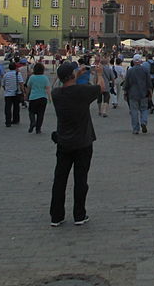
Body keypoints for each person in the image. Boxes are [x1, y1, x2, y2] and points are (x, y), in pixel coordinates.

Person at [50, 61, 106, 227]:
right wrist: (100, 73)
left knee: (60, 179)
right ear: (73, 75)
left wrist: (76, 74)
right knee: (80, 179)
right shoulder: (82, 91)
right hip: (82, 141)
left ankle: (56, 215)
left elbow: (64, 84)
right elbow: (101, 88)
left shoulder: (56, 93)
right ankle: (79, 214)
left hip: (63, 141)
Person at [124, 54, 152, 134]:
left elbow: (127, 83)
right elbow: (149, 82)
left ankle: (136, 129)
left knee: (134, 111)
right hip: (143, 93)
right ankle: (143, 122)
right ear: (141, 61)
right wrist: (150, 92)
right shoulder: (145, 70)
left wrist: (125, 92)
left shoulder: (130, 71)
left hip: (132, 94)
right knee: (144, 109)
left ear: (133, 61)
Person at [25, 62, 51, 134]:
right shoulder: (45, 78)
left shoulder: (32, 77)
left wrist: (26, 96)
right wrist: (50, 97)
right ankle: (38, 129)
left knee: (31, 112)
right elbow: (48, 88)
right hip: (43, 98)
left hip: (33, 97)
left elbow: (28, 88)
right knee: (41, 114)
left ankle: (33, 122)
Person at [2, 62, 24, 127]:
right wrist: (23, 91)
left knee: (8, 108)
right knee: (16, 107)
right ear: (15, 67)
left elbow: (3, 84)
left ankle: (8, 121)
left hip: (8, 94)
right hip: (16, 93)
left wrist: (6, 89)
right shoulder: (18, 74)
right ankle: (15, 120)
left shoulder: (6, 75)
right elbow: (21, 83)